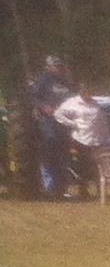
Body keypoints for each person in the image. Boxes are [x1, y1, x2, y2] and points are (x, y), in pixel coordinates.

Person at [27, 55, 73, 198]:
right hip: (48, 121)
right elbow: (33, 97)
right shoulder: (42, 80)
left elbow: (73, 96)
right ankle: (49, 185)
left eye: (60, 65)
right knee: (49, 149)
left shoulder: (65, 81)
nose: (59, 68)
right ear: (48, 67)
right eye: (55, 66)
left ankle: (61, 187)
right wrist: (42, 106)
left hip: (64, 122)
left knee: (63, 152)